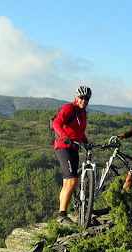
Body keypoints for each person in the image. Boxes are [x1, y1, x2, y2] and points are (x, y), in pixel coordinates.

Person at [52, 85, 92, 225]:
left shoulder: (83, 113)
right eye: (81, 98)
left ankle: (61, 213)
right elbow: (56, 123)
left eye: (86, 99)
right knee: (73, 179)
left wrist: (86, 142)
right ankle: (62, 216)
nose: (83, 100)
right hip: (63, 146)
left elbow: (79, 131)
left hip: (74, 148)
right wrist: (63, 136)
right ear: (76, 97)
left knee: (67, 182)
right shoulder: (69, 108)